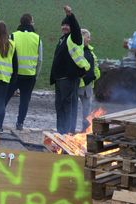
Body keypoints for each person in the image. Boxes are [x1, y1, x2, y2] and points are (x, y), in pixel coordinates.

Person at [50, 5, 90, 134]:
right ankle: (61, 131)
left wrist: (70, 15)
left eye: (67, 25)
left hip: (69, 78)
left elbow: (77, 30)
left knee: (68, 105)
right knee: (59, 105)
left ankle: (68, 131)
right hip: (59, 79)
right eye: (63, 25)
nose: (65, 27)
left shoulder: (74, 38)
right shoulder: (62, 39)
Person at [5, 13, 43, 131]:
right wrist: (36, 74)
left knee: (5, 98)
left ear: (20, 22)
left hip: (14, 75)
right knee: (25, 101)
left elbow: (7, 55)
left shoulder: (13, 36)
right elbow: (40, 59)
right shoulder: (37, 38)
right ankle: (20, 123)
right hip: (30, 76)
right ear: (31, 22)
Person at [78, 29, 101, 132]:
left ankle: (84, 130)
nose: (89, 39)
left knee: (87, 110)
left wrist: (95, 76)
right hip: (77, 84)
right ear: (82, 37)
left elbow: (95, 66)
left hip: (88, 86)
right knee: (72, 108)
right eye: (88, 37)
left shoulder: (91, 52)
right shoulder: (76, 50)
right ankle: (69, 129)